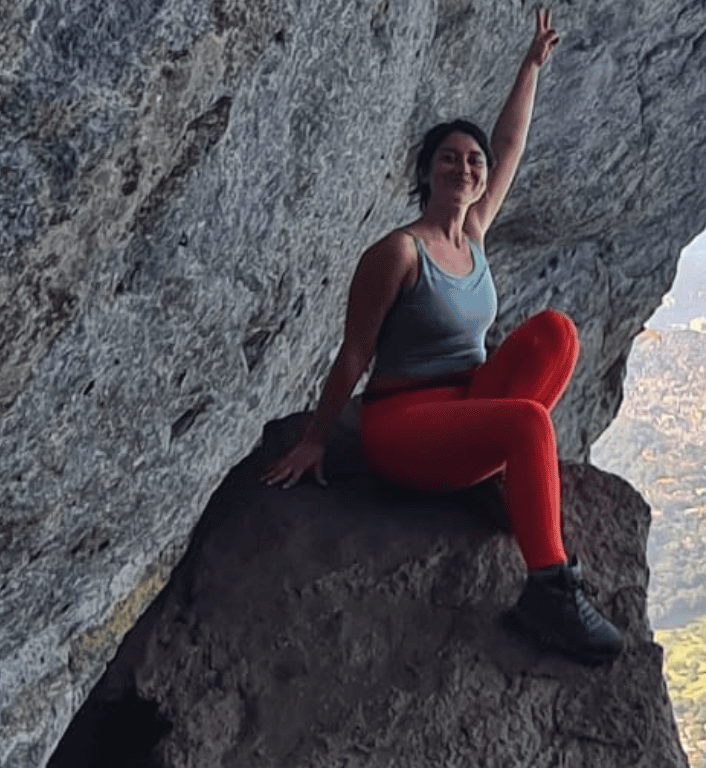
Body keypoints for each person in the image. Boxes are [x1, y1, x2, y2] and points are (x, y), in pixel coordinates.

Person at [260, 8, 623, 666]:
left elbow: (510, 143)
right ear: (426, 171)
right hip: (403, 425)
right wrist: (314, 440)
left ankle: (500, 477)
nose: (465, 168)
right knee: (527, 424)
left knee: (557, 332)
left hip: (465, 402)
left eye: (472, 160)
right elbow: (353, 353)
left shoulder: (474, 233)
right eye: (448, 159)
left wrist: (530, 67)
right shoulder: (399, 253)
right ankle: (549, 591)